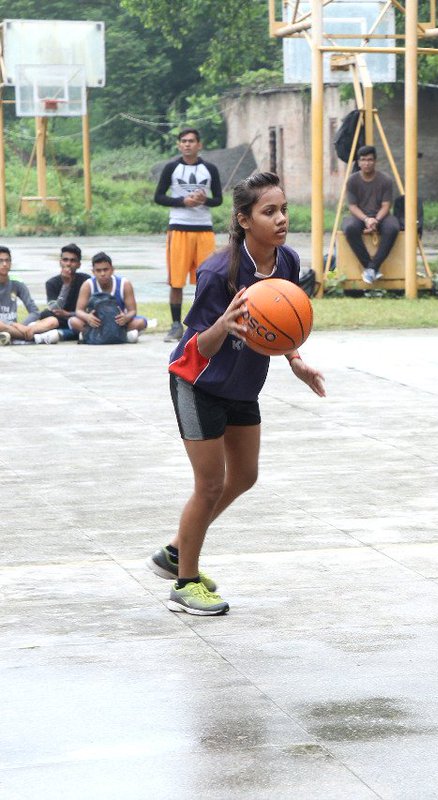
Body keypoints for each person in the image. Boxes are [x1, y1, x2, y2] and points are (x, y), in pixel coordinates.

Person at [147, 171, 325, 616]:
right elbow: (198, 347)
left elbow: (277, 327)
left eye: (284, 210)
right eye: (269, 211)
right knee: (209, 484)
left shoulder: (286, 262)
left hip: (243, 384)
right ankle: (185, 582)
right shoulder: (217, 271)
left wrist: (295, 358)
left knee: (244, 475)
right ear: (244, 220)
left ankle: (176, 550)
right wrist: (223, 325)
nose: (281, 219)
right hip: (197, 382)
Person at [155, 127, 223, 342]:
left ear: (199, 145)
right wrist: (182, 201)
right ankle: (176, 325)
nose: (187, 144)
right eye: (183, 141)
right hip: (179, 228)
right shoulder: (171, 168)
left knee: (207, 280)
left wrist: (204, 200)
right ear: (179, 145)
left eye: (191, 141)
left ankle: (202, 325)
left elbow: (218, 199)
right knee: (176, 281)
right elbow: (159, 196)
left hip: (204, 230)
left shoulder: (210, 169)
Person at [342, 146, 401, 285]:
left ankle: (372, 268)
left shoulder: (385, 180)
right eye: (363, 160)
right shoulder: (352, 180)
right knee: (349, 228)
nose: (366, 163)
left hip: (381, 216)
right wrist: (367, 219)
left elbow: (386, 205)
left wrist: (376, 220)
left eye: (370, 160)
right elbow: (352, 206)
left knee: (393, 227)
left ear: (375, 161)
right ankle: (371, 267)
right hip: (360, 216)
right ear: (358, 162)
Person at [69, 252, 149, 344]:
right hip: (97, 324)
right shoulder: (88, 285)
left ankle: (89, 336)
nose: (102, 274)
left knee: (141, 322)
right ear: (93, 272)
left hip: (118, 324)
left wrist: (126, 318)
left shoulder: (124, 284)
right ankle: (124, 336)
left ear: (112, 270)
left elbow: (133, 311)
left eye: (105, 270)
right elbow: (79, 311)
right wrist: (88, 317)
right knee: (73, 321)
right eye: (98, 270)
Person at [0, 246, 60, 345]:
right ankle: (37, 338)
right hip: (5, 326)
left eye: (7, 260)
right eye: (1, 261)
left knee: (53, 321)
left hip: (16, 327)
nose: (4, 264)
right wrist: (14, 325)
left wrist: (23, 327)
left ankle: (13, 336)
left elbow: (34, 312)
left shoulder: (16, 283)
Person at [37, 243, 90, 344]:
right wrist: (66, 285)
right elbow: (54, 309)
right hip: (59, 320)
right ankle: (71, 333)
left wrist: (69, 314)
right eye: (65, 260)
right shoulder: (51, 283)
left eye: (73, 260)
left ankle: (60, 333)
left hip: (78, 319)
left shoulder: (86, 281)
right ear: (60, 262)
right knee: (45, 314)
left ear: (79, 264)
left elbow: (89, 310)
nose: (68, 264)